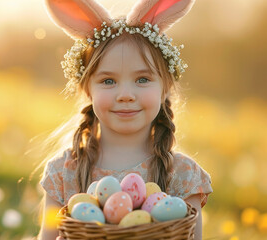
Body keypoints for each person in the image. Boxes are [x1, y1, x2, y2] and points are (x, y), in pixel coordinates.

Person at [36, 0, 212, 239]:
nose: (126, 95)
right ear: (88, 89)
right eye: (108, 81)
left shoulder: (181, 175)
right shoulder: (64, 172)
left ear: (165, 88)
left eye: (142, 79)